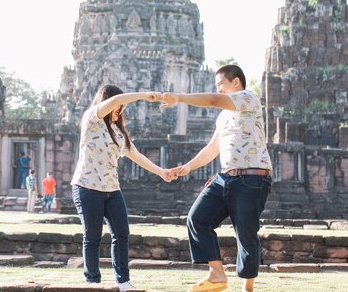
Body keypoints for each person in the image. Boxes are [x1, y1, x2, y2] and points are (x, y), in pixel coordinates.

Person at [161, 64, 272, 292]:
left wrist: (178, 98)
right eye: (217, 86)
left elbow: (212, 100)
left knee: (246, 232)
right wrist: (188, 167)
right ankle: (217, 274)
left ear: (236, 82)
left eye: (221, 84)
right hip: (225, 177)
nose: (218, 89)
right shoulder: (223, 118)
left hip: (252, 177)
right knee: (197, 218)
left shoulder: (248, 99)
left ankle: (247, 286)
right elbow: (213, 148)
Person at [71, 84, 174, 292]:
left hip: (112, 189)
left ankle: (123, 280)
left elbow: (137, 156)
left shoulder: (118, 131)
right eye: (120, 105)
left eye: (123, 107)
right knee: (92, 236)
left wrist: (161, 172)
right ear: (107, 101)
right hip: (87, 186)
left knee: (121, 233)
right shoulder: (92, 118)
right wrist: (144, 95)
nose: (121, 109)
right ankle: (92, 281)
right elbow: (115, 101)